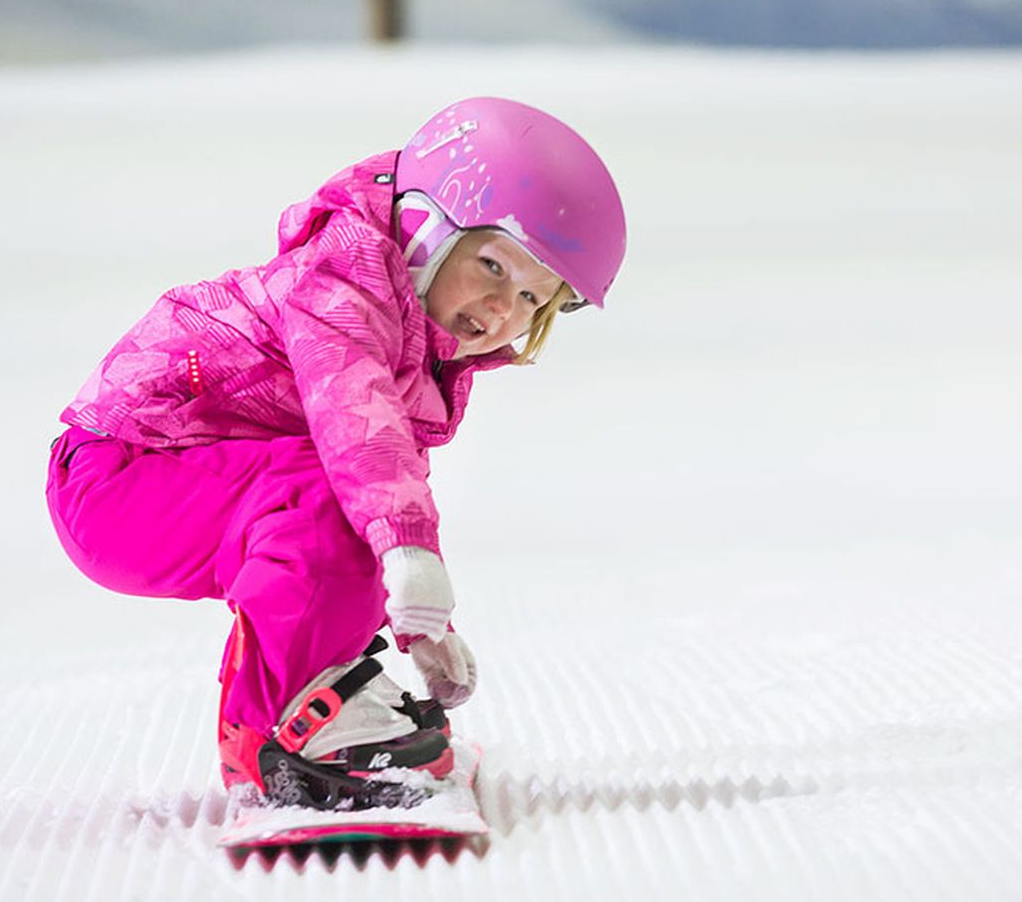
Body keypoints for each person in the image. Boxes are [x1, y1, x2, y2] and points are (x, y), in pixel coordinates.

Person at [44, 97, 626, 808]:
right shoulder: (341, 279)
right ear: (425, 227)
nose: (505, 310)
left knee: (350, 507)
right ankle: (292, 728)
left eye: (535, 298)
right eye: (493, 267)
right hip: (121, 475)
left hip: (180, 479)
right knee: (334, 493)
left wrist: (425, 622)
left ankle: (314, 693)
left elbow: (386, 482)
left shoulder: (417, 350)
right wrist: (411, 557)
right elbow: (357, 424)